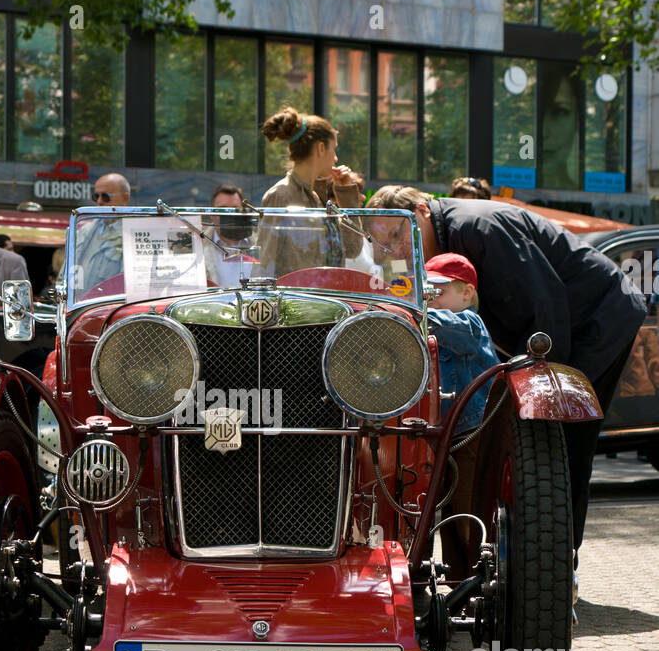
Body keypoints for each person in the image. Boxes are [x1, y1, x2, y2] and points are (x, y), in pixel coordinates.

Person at [368, 184, 647, 552]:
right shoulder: (447, 235)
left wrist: (533, 397)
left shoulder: (479, 228)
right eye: (383, 243)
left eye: (397, 235)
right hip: (567, 318)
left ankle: (558, 568)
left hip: (598, 316)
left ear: (421, 211)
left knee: (561, 439)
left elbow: (543, 309)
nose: (396, 251)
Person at [424, 253, 499, 579]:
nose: (430, 298)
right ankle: (448, 580)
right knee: (426, 511)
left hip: (469, 432)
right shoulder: (429, 323)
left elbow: (450, 329)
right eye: (424, 292)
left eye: (437, 291)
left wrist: (413, 307)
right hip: (434, 433)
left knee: (468, 511)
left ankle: (481, 579)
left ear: (467, 293)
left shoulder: (471, 324)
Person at [260, 108, 366, 276]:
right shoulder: (281, 195)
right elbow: (264, 262)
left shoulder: (316, 197)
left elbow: (352, 249)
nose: (336, 158)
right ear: (321, 148)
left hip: (326, 299)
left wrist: (345, 192)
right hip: (293, 300)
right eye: (334, 148)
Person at [73, 171, 132, 293]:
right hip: (78, 308)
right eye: (96, 196)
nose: (99, 201)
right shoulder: (84, 231)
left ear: (125, 198)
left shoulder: (133, 235)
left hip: (110, 309)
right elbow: (68, 273)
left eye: (105, 196)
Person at [203, 185, 259, 287]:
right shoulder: (199, 246)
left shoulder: (260, 244)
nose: (229, 216)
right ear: (211, 214)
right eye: (222, 210)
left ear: (243, 213)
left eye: (234, 210)